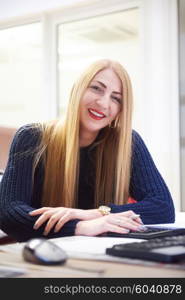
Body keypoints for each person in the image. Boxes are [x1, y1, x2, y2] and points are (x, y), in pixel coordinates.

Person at [0, 59, 175, 242]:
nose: (104, 103)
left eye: (116, 98)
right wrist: (81, 226)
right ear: (78, 89)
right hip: (47, 252)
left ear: (120, 110)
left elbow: (162, 208)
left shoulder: (128, 142)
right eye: (96, 88)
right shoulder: (32, 137)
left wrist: (94, 214)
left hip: (104, 253)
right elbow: (9, 212)